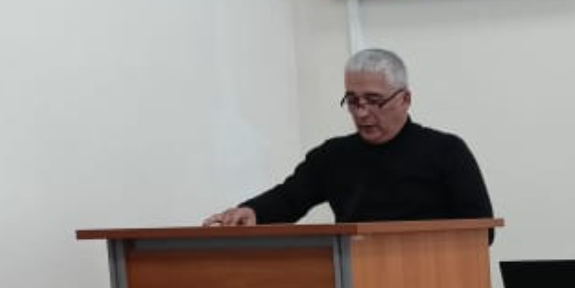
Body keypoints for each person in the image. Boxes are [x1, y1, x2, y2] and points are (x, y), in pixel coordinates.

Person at [203, 48, 493, 228]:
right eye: (353, 101)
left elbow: (482, 229)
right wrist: (252, 211)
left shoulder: (446, 151)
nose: (362, 113)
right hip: (355, 287)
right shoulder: (333, 156)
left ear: (405, 99)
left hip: (432, 285)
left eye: (374, 100)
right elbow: (289, 198)